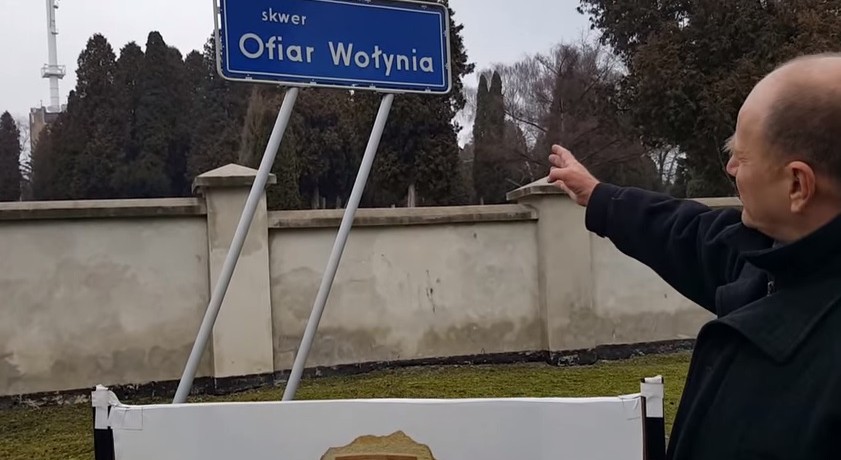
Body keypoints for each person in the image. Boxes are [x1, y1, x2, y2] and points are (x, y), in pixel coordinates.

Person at [547, 53, 841, 459]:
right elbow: (687, 234)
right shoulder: (776, 260)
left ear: (797, 185)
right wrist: (599, 197)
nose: (731, 167)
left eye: (741, 154)